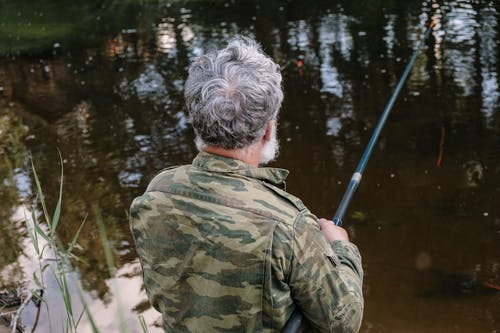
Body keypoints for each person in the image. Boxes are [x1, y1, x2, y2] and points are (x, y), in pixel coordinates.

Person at [129, 36, 363, 332]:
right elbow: (344, 321)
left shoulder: (157, 192)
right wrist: (341, 247)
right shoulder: (288, 225)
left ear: (197, 119)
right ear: (267, 129)